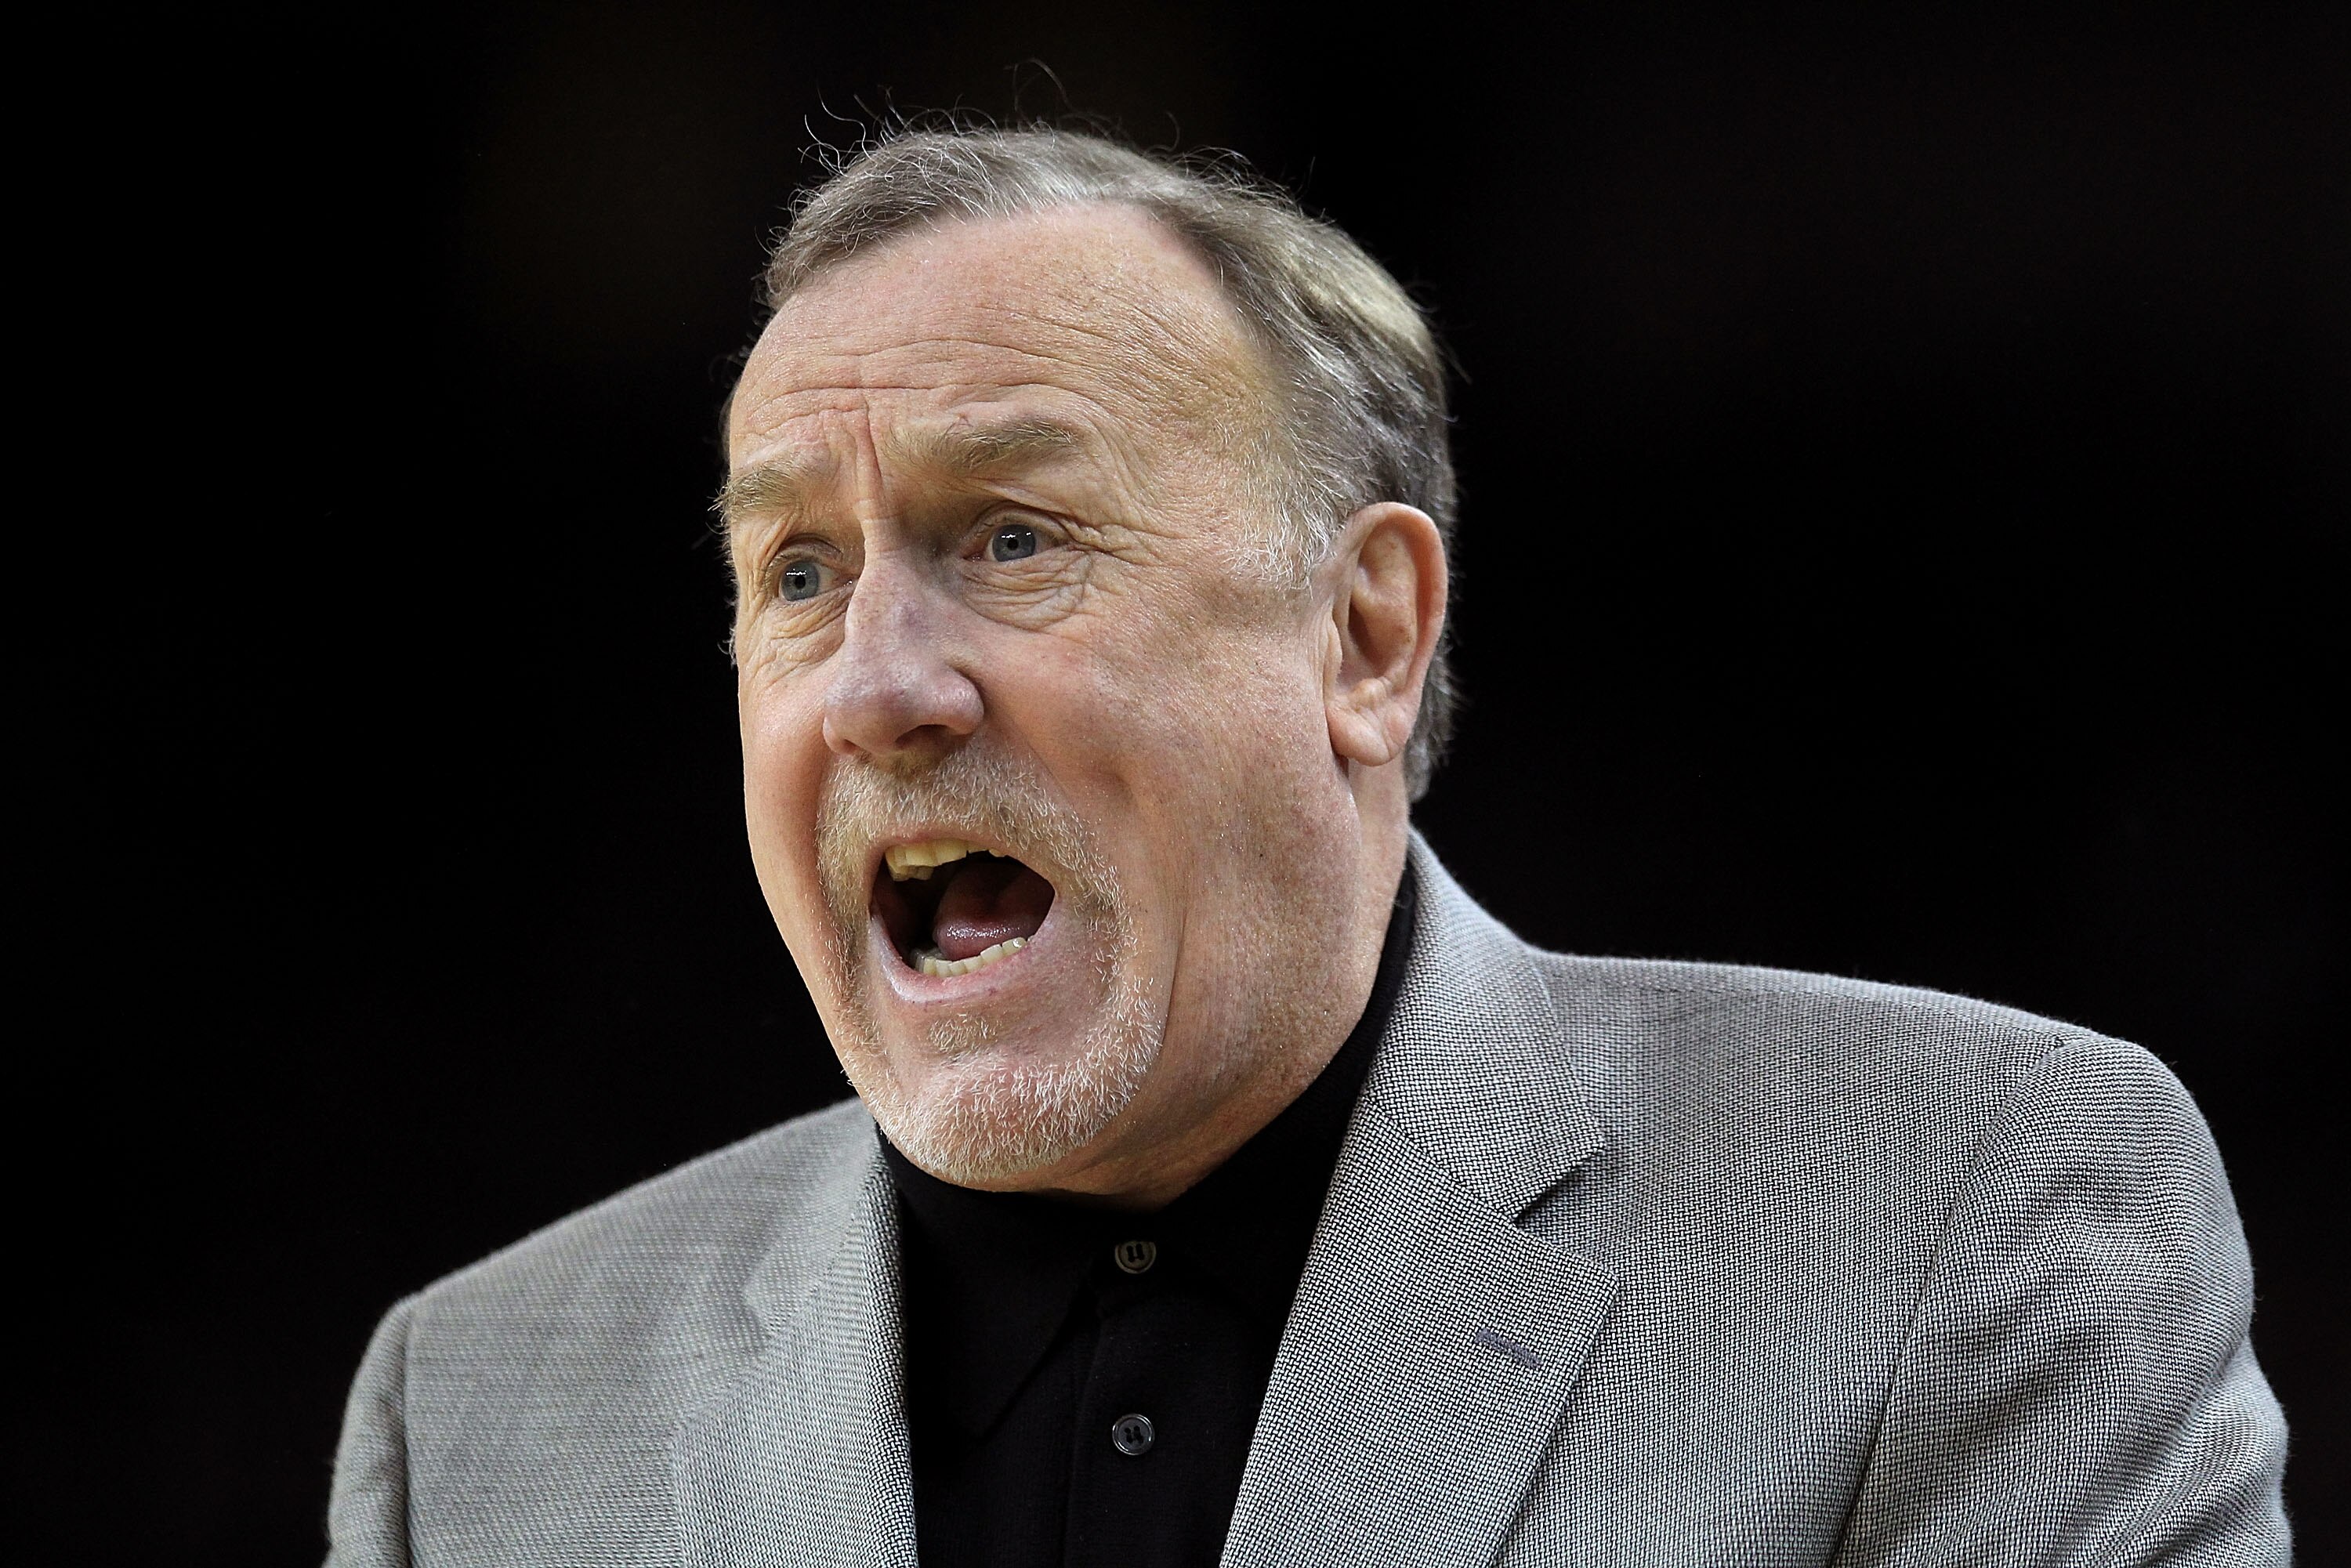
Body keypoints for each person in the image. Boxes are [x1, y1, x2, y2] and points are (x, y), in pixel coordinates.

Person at [324, 129, 2288, 1566]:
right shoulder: (477, 1414)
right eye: (799, 573)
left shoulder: (1966, 1208)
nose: (876, 688)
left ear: (1363, 633)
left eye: (1012, 536)